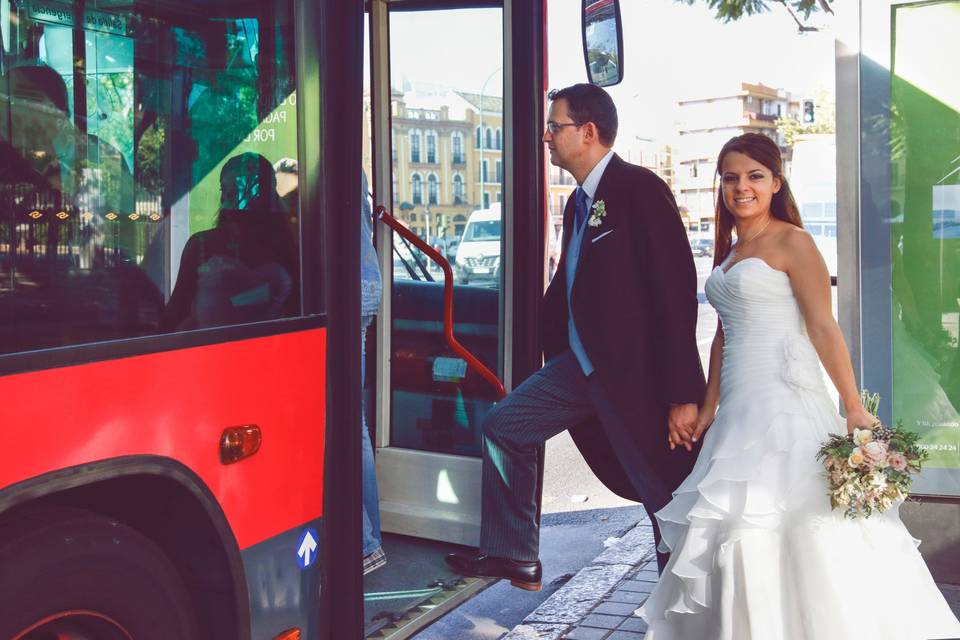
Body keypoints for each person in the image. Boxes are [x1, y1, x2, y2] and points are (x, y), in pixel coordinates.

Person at [637, 133, 960, 639]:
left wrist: (852, 406)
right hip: (740, 405)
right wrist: (707, 407)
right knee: (736, 523)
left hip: (785, 400)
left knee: (789, 520)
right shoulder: (734, 248)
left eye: (754, 176)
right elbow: (726, 331)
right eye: (730, 177)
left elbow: (823, 327)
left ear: (775, 183)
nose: (740, 187)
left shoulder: (793, 241)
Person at [445, 83, 705, 590]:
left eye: (554, 126)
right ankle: (514, 554)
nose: (546, 136)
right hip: (578, 370)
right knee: (505, 426)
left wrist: (681, 395)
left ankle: (686, 611)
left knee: (666, 501)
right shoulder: (577, 205)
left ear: (588, 132)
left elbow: (675, 295)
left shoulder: (640, 190)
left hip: (635, 379)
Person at [161, 153, 298, 331]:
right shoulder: (202, 245)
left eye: (241, 190)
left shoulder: (285, 246)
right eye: (226, 190)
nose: (231, 199)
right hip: (213, 351)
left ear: (266, 196)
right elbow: (175, 314)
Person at [360, 169, 386, 575]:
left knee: (340, 424)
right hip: (366, 280)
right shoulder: (354, 166)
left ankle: (364, 543)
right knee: (354, 423)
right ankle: (369, 540)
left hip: (346, 286)